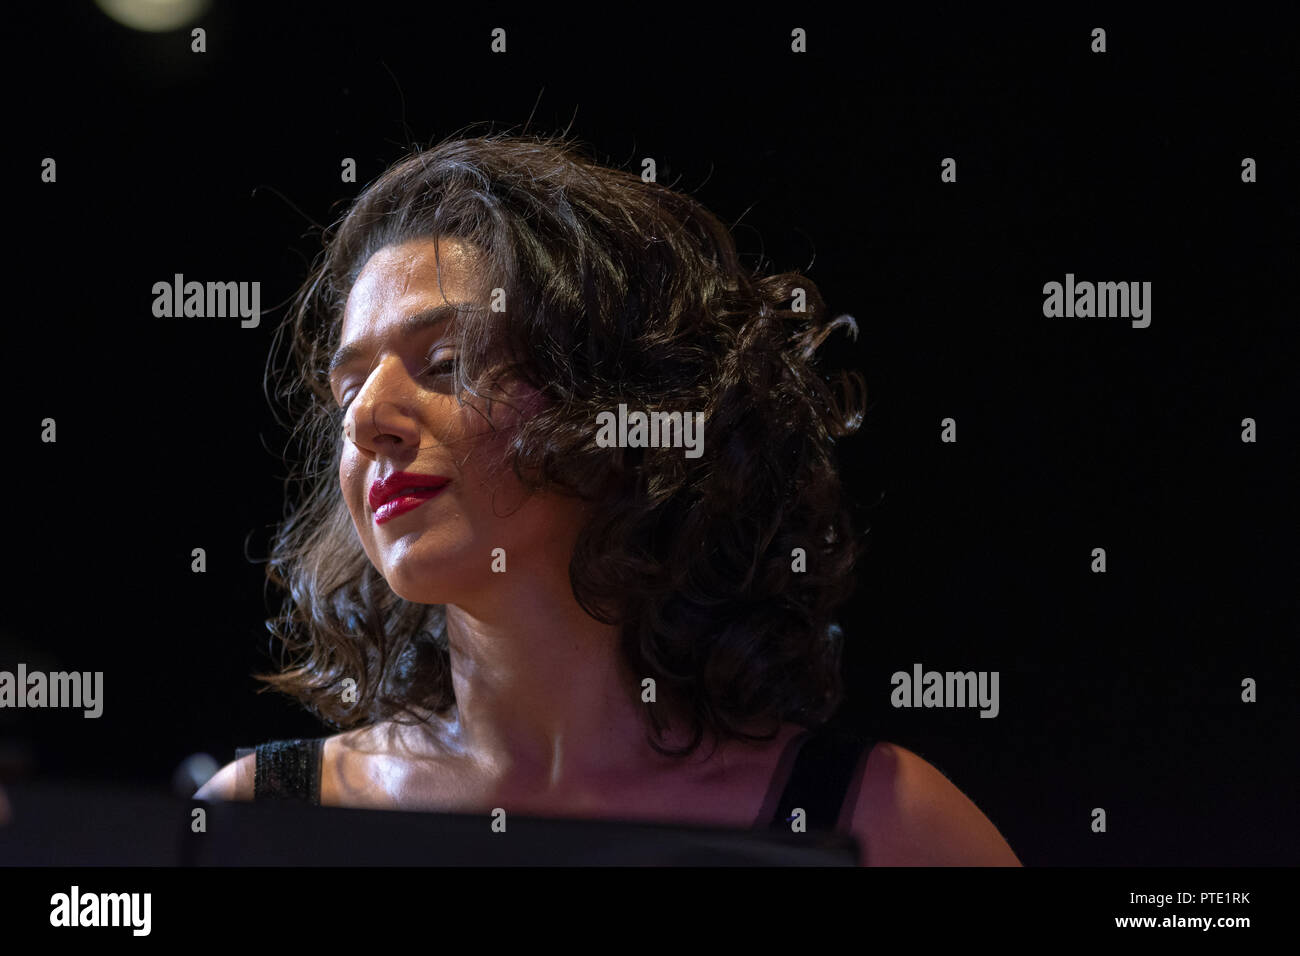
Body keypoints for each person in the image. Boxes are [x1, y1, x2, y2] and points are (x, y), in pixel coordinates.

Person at [195, 133, 1020, 866]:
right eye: (346, 394)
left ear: (618, 410)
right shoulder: (257, 818)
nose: (369, 419)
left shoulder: (878, 822)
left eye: (446, 362)